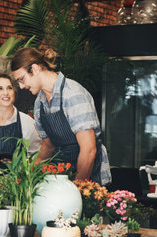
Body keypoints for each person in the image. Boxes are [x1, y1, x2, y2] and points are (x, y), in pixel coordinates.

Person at [10, 48, 111, 185]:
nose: (21, 87)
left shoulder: (72, 94)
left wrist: (77, 188)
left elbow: (89, 150)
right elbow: (48, 144)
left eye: (21, 79)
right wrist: (28, 175)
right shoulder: (39, 103)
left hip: (89, 175)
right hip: (63, 175)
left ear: (34, 69)